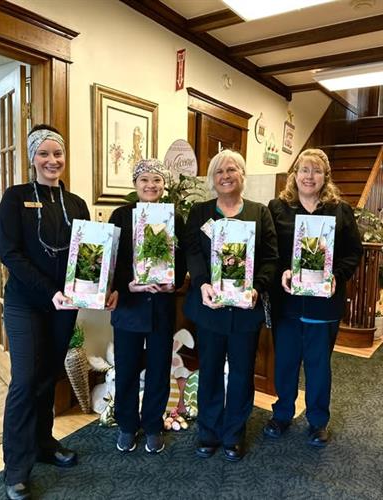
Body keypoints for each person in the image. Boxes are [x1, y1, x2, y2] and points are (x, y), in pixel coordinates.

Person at [0, 124, 90, 500]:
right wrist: (51, 291)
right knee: (24, 380)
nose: (53, 160)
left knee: (48, 376)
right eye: (44, 153)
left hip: (63, 306)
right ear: (33, 158)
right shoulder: (15, 198)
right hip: (26, 303)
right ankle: (16, 468)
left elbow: (89, 255)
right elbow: (11, 254)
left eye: (58, 153)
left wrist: (96, 288)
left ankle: (44, 444)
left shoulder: (77, 204)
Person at [263, 148, 363, 447]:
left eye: (316, 170)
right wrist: (282, 271)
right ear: (295, 175)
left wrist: (337, 276)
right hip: (287, 302)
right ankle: (282, 413)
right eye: (304, 170)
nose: (309, 176)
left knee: (319, 366)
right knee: (285, 362)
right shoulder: (277, 208)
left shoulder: (340, 210)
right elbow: (268, 251)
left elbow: (353, 252)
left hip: (324, 304)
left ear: (325, 176)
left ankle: (318, 421)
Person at [184, 149, 278, 462]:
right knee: (209, 371)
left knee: (241, 373)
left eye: (231, 170)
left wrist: (257, 288)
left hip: (245, 312)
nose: (225, 176)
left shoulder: (259, 213)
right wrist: (202, 283)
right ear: (213, 179)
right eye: (219, 171)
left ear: (242, 175)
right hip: (210, 310)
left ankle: (233, 434)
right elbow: (193, 252)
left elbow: (271, 258)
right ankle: (208, 432)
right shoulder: (200, 212)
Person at [108, 159, 186, 455]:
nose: (151, 185)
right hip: (128, 306)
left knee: (158, 368)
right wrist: (126, 284)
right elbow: (111, 261)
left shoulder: (173, 217)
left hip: (161, 306)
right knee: (126, 368)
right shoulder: (120, 216)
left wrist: (172, 284)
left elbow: (181, 262)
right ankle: (127, 425)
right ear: (135, 184)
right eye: (144, 180)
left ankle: (153, 425)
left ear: (164, 185)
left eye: (157, 180)